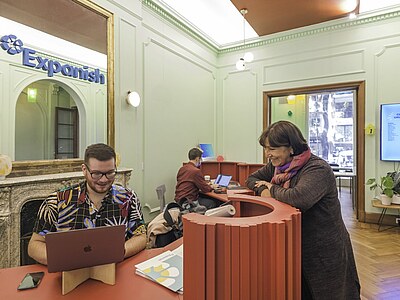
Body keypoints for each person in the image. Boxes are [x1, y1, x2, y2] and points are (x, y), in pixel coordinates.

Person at [246, 121, 360, 299]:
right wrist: (263, 189)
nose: (267, 154)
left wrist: (271, 188)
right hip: (298, 245)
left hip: (325, 249)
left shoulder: (317, 168)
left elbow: (299, 198)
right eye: (266, 149)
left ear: (291, 148)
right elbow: (252, 178)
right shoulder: (278, 167)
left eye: (272, 149)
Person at [28, 143, 146, 265]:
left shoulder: (128, 198)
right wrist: (66, 259)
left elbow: (140, 236)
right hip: (70, 274)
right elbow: (34, 246)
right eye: (96, 174)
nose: (104, 179)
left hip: (116, 271)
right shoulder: (57, 201)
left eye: (110, 173)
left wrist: (118, 252)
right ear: (84, 170)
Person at [174, 147, 220, 211]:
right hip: (190, 202)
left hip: (179, 200)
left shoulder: (182, 169)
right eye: (200, 158)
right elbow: (205, 189)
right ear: (197, 158)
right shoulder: (196, 171)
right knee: (213, 203)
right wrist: (212, 186)